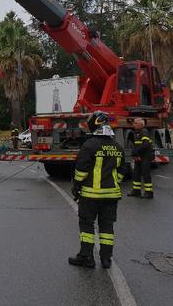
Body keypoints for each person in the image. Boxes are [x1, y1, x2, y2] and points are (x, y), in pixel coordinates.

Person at [68, 111, 129, 270]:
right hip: (111, 195)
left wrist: (76, 187)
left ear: (94, 124)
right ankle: (106, 259)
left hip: (90, 196)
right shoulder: (117, 147)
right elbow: (123, 169)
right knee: (107, 227)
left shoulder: (89, 145)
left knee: (87, 225)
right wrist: (115, 182)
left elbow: (81, 170)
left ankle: (86, 257)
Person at [126, 118, 154, 199]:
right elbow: (137, 145)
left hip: (146, 156)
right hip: (140, 156)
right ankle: (136, 190)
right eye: (134, 123)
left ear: (141, 125)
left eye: (135, 123)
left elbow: (145, 145)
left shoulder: (144, 132)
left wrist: (136, 153)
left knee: (146, 174)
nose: (133, 124)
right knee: (136, 173)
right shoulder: (137, 133)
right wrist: (136, 154)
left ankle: (149, 192)